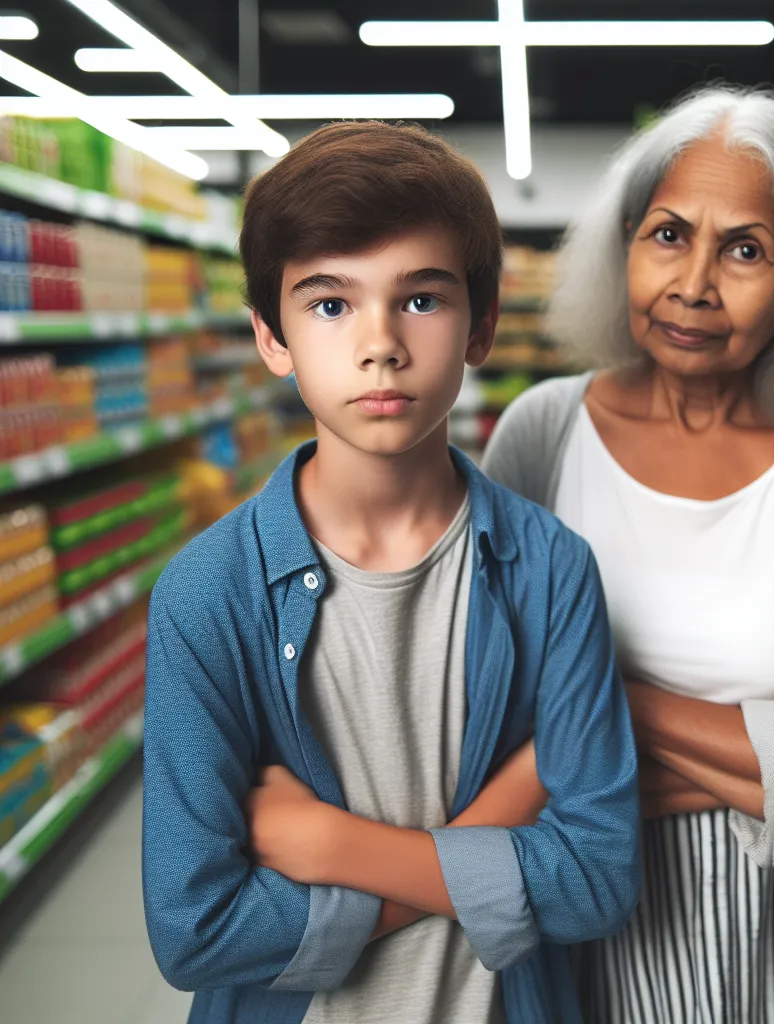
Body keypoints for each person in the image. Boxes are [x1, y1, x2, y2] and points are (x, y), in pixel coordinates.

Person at [141, 121, 641, 1024]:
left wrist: (336, 847)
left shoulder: (551, 571)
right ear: (270, 336)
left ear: (481, 324)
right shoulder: (205, 594)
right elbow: (195, 928)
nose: (381, 344)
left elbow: (599, 880)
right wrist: (499, 822)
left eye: (421, 300)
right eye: (330, 304)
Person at [482, 85, 774, 1024]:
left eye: (745, 248)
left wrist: (594, 709)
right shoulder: (542, 434)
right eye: (667, 234)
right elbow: (487, 733)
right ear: (624, 245)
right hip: (597, 930)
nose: (694, 283)